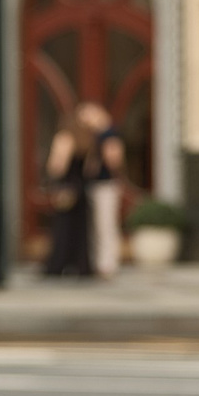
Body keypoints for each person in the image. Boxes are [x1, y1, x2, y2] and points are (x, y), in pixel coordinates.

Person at [79, 101, 128, 280]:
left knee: (105, 225)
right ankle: (100, 261)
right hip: (98, 185)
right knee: (98, 226)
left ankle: (107, 263)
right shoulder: (96, 135)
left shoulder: (108, 134)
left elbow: (114, 158)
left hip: (105, 184)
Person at [42, 116, 93, 278]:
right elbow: (90, 168)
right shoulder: (86, 140)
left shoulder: (64, 138)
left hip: (67, 188)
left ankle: (57, 265)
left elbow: (58, 167)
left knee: (63, 228)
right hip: (81, 188)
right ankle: (81, 266)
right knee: (80, 230)